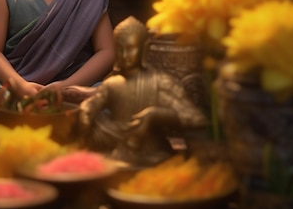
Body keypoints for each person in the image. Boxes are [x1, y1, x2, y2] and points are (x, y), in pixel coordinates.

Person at [79, 16, 208, 167]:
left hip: (153, 154)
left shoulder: (160, 82)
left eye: (131, 48)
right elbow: (91, 105)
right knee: (94, 129)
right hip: (116, 148)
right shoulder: (112, 84)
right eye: (120, 49)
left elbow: (195, 118)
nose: (125, 55)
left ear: (144, 49)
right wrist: (85, 112)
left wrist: (155, 114)